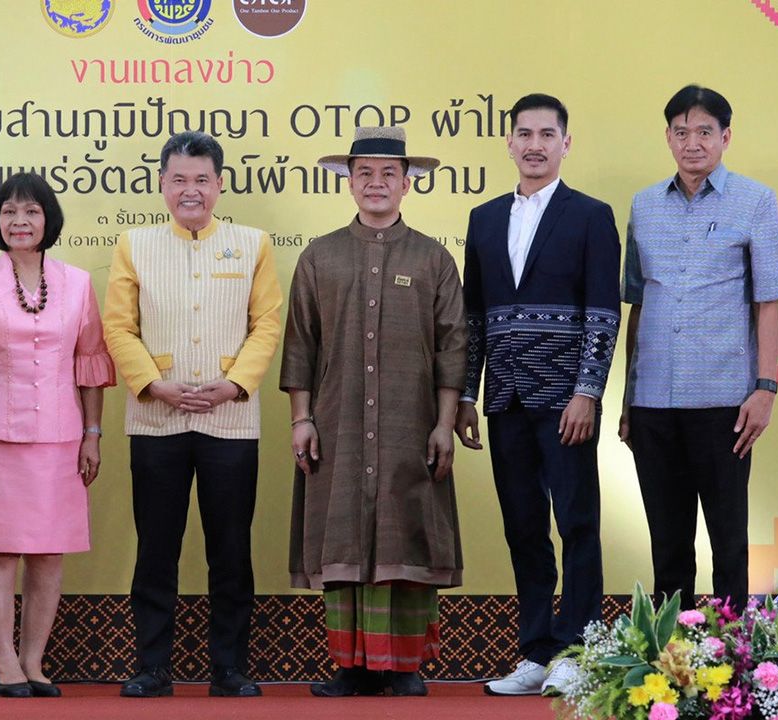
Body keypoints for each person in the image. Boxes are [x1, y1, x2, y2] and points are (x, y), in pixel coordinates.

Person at [281, 126, 467, 698]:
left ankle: (404, 666)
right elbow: (300, 346)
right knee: (341, 537)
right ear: (349, 182)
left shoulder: (434, 259)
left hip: (410, 428)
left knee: (404, 533)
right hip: (335, 425)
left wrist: (443, 423)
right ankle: (351, 665)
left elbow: (452, 347)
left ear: (407, 183)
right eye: (365, 173)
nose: (377, 183)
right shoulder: (320, 256)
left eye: (389, 173)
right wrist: (302, 418)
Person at [104, 131, 282, 698]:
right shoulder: (135, 244)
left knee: (230, 549)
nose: (190, 190)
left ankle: (229, 668)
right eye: (178, 179)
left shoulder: (252, 243)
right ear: (161, 185)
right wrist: (154, 384)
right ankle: (152, 666)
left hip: (230, 423)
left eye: (201, 179)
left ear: (220, 184)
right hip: (156, 420)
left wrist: (234, 385)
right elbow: (118, 327)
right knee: (156, 547)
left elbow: (267, 324)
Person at [455, 94, 621, 696]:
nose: (534, 144)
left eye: (547, 134)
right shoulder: (483, 217)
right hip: (503, 397)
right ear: (508, 141)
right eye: (523, 133)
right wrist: (467, 396)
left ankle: (578, 647)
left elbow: (604, 314)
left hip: (565, 399)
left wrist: (588, 392)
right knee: (523, 525)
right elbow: (473, 317)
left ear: (565, 143)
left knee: (577, 521)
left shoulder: (590, 215)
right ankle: (535, 651)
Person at [0, 172, 115, 698]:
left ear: (48, 220)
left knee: (48, 552)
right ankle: (5, 661)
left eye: (32, 211)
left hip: (60, 439)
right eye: (10, 211)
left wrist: (93, 435)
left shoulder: (78, 283)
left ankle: (35, 662)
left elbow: (89, 365)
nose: (20, 221)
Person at [619, 84, 778, 612]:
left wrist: (765, 388)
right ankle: (669, 663)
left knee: (729, 543)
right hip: (653, 405)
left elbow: (767, 302)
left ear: (726, 137)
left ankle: (731, 660)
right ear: (668, 138)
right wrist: (627, 399)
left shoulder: (755, 200)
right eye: (681, 131)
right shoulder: (644, 206)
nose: (692, 142)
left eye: (705, 132)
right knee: (667, 547)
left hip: (724, 403)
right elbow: (637, 305)